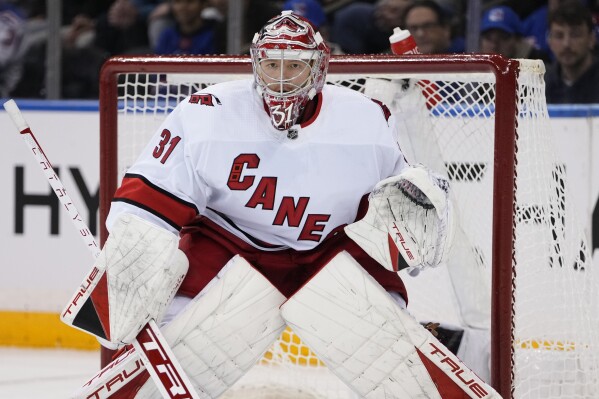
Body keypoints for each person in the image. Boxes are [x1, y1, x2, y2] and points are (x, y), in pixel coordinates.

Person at [68, 11, 498, 398]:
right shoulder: (208, 113)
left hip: (332, 249)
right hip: (231, 243)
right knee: (178, 346)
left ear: (318, 69)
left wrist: (418, 220)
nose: (279, 78)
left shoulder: (365, 120)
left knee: (391, 358)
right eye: (271, 65)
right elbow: (149, 200)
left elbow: (400, 214)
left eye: (294, 66)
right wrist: (130, 263)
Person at [545, 1, 599, 103]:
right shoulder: (542, 85)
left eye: (575, 35)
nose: (566, 44)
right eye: (559, 36)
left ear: (592, 39)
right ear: (550, 42)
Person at [331, 0, 414, 54]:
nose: (386, 14)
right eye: (386, 8)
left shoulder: (410, 32)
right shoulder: (355, 15)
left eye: (394, 11)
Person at [479, 5, 550, 62]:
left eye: (503, 37)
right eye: (488, 38)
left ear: (518, 40)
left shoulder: (537, 64)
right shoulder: (474, 67)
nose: (494, 45)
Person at [153, 0, 220, 55]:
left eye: (190, 2)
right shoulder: (167, 35)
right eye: (178, 2)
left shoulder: (215, 35)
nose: (182, 8)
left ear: (203, 5)